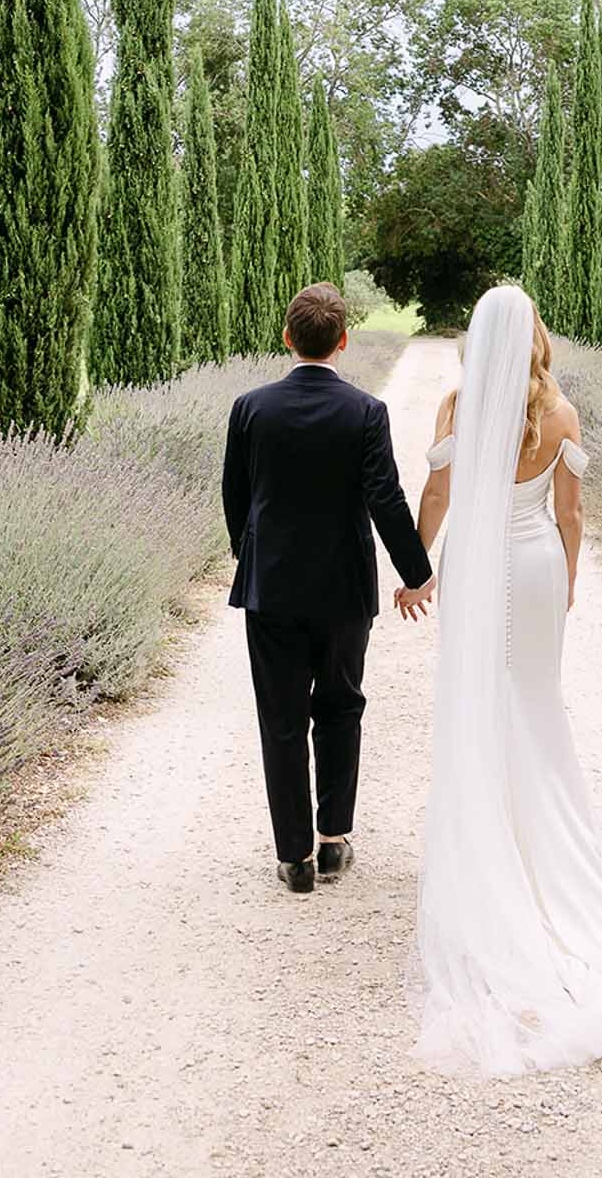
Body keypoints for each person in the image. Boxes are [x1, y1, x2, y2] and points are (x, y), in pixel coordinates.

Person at [405, 281, 602, 1074]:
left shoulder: (458, 409)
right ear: (534, 334)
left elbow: (438, 491)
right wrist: (569, 578)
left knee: (478, 698)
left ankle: (489, 838)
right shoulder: (561, 414)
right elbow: (571, 515)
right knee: (536, 704)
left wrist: (418, 568)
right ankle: (547, 854)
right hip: (532, 565)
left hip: (474, 567)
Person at [221, 282, 434, 893]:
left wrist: (252, 556)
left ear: (287, 338)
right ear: (343, 341)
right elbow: (385, 499)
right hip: (344, 590)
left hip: (272, 589)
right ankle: (334, 838)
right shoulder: (366, 412)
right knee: (342, 706)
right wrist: (416, 573)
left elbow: (236, 497)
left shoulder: (250, 408)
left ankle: (294, 857)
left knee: (281, 717)